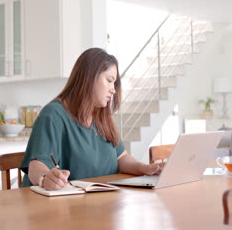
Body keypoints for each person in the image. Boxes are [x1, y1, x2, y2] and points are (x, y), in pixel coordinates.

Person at [20, 47, 163, 190]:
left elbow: (121, 158)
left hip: (101, 203)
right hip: (64, 207)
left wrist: (147, 168)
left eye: (114, 83)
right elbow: (36, 166)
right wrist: (45, 178)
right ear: (89, 77)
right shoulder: (53, 115)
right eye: (109, 80)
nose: (113, 89)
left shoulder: (102, 117)